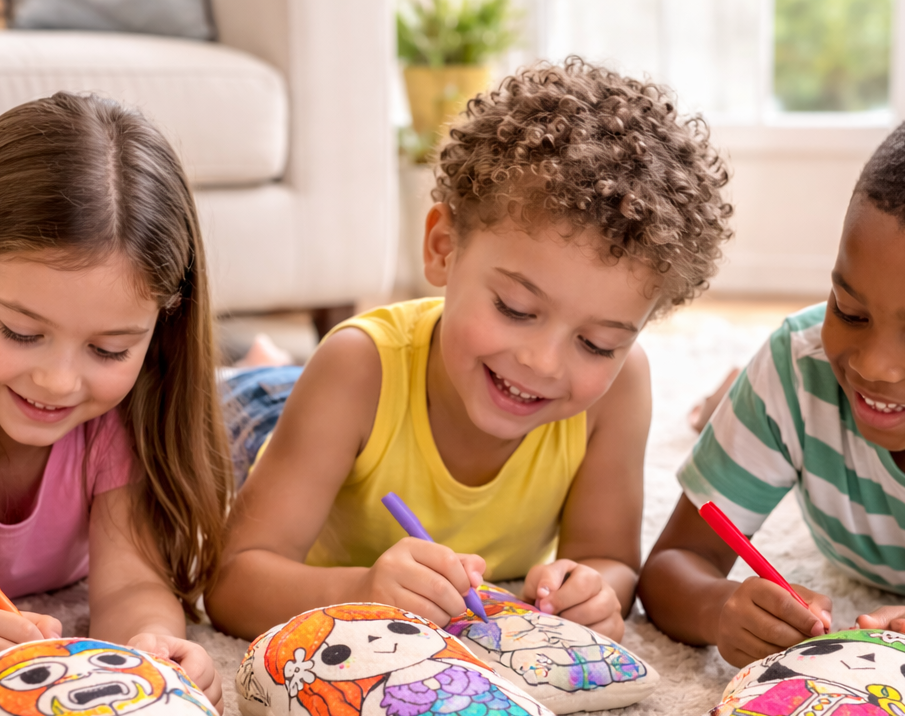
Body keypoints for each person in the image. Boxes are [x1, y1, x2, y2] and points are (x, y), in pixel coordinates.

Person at [206, 58, 733, 643]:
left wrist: (592, 589)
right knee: (241, 403)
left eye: (597, 343)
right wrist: (357, 593)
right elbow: (231, 584)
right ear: (442, 248)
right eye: (515, 308)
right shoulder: (356, 368)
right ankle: (261, 366)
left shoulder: (620, 389)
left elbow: (610, 561)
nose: (543, 362)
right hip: (283, 412)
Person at [638, 92, 905, 681]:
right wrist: (722, 609)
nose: (873, 366)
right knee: (789, 370)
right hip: (790, 388)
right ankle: (731, 395)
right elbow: (672, 564)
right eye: (848, 309)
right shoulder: (799, 369)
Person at [0, 92, 232, 709]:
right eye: (19, 333)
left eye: (107, 350)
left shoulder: (119, 421)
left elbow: (131, 581)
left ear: (158, 338)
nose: (55, 381)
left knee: (261, 401)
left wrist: (150, 644)